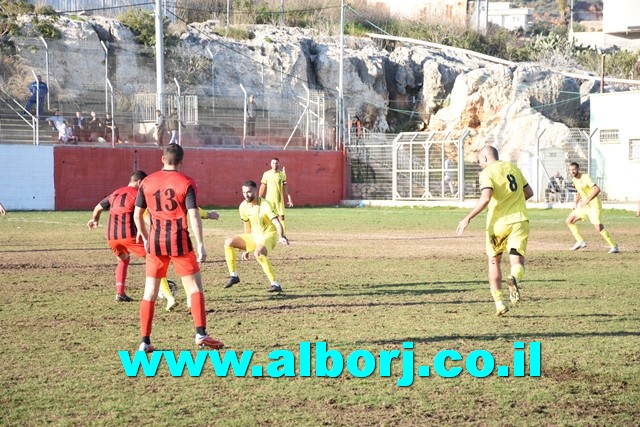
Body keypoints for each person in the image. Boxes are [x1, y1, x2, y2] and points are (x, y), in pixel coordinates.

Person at [133, 144, 223, 352]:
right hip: (178, 241)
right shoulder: (187, 182)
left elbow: (137, 214)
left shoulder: (146, 181)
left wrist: (146, 238)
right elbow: (193, 215)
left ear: (162, 159)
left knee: (150, 293)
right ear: (182, 162)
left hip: (155, 241)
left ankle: (144, 341)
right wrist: (201, 245)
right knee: (194, 289)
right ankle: (200, 334)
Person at [456, 145, 533, 316]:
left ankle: (499, 303)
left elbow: (485, 198)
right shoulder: (513, 168)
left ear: (484, 158)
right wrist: (514, 202)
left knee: (494, 261)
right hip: (519, 220)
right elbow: (528, 192)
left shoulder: (487, 173)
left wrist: (467, 218)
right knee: (516, 261)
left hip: (497, 224)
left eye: (479, 161)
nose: (479, 165)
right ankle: (514, 277)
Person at [88, 171, 152, 302]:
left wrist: (95, 220)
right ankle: (158, 290)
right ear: (140, 182)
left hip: (112, 236)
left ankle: (120, 293)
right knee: (153, 258)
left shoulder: (115, 193)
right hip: (129, 235)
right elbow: (144, 215)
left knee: (123, 260)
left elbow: (97, 208)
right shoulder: (138, 194)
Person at [224, 180, 290, 293]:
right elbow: (247, 226)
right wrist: (246, 248)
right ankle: (233, 276)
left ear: (255, 190)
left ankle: (275, 284)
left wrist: (281, 236)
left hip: (269, 235)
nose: (246, 195)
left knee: (258, 253)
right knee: (229, 242)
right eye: (244, 192)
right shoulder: (243, 206)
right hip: (254, 236)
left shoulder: (265, 205)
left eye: (249, 192)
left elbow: (277, 223)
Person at [565, 162, 619, 253]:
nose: (572, 171)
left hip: (594, 205)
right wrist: (575, 202)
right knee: (569, 220)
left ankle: (614, 246)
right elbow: (579, 191)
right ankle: (580, 241)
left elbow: (597, 189)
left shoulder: (585, 177)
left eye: (574, 169)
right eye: (570, 170)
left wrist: (587, 200)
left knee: (598, 228)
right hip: (585, 206)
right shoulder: (574, 179)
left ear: (578, 169)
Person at [259, 157, 293, 232]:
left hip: (279, 200)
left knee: (281, 218)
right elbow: (263, 186)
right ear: (271, 164)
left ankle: (283, 235)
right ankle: (266, 233)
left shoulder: (282, 175)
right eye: (273, 163)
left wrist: (289, 199)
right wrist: (259, 198)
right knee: (267, 217)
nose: (275, 164)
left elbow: (285, 188)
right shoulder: (266, 174)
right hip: (269, 200)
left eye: (276, 163)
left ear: (279, 164)